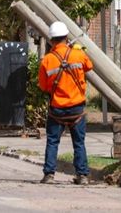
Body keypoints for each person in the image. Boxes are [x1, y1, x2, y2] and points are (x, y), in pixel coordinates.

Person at [37, 21, 93, 185]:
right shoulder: (78, 54)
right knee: (79, 143)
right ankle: (82, 176)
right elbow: (89, 66)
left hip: (57, 109)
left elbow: (43, 86)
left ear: (51, 40)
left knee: (52, 141)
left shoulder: (47, 60)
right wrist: (77, 50)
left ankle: (49, 175)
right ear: (67, 37)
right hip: (77, 108)